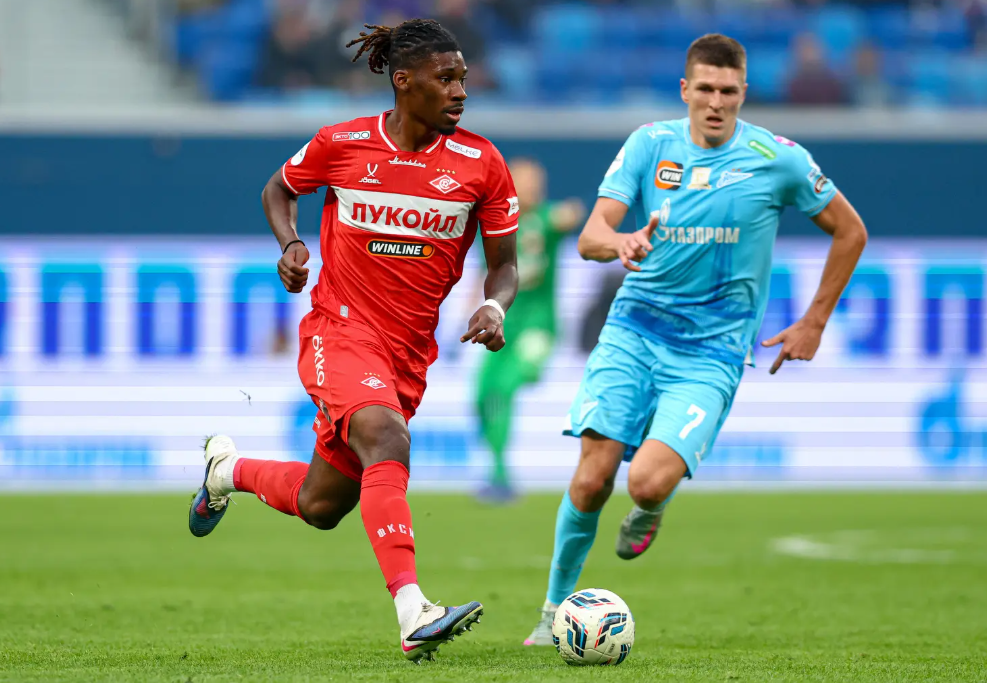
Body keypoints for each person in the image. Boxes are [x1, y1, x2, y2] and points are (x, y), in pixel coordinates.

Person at [188, 18, 520, 662]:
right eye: (446, 78)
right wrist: (291, 243)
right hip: (338, 330)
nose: (460, 91)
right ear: (405, 81)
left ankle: (225, 471)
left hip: (407, 354)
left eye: (463, 79)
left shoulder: (482, 164)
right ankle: (413, 610)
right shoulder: (341, 143)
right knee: (387, 439)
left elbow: (504, 265)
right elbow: (279, 188)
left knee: (321, 505)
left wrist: (491, 305)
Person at [524, 33, 867, 645]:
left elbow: (850, 231)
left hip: (711, 351)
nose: (715, 102)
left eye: (727, 91)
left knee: (646, 482)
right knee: (591, 480)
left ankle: (651, 508)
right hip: (634, 329)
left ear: (743, 93)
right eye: (705, 89)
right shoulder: (649, 144)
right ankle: (553, 615)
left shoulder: (779, 159)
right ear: (685, 90)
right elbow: (591, 236)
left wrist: (814, 321)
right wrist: (622, 241)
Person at [474, 158, 584, 502]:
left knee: (505, 386)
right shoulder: (495, 224)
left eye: (538, 182)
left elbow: (569, 215)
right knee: (483, 394)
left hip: (539, 326)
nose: (534, 188)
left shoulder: (545, 219)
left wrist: (570, 213)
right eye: (527, 182)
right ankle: (496, 466)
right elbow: (482, 273)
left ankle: (499, 476)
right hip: (502, 324)